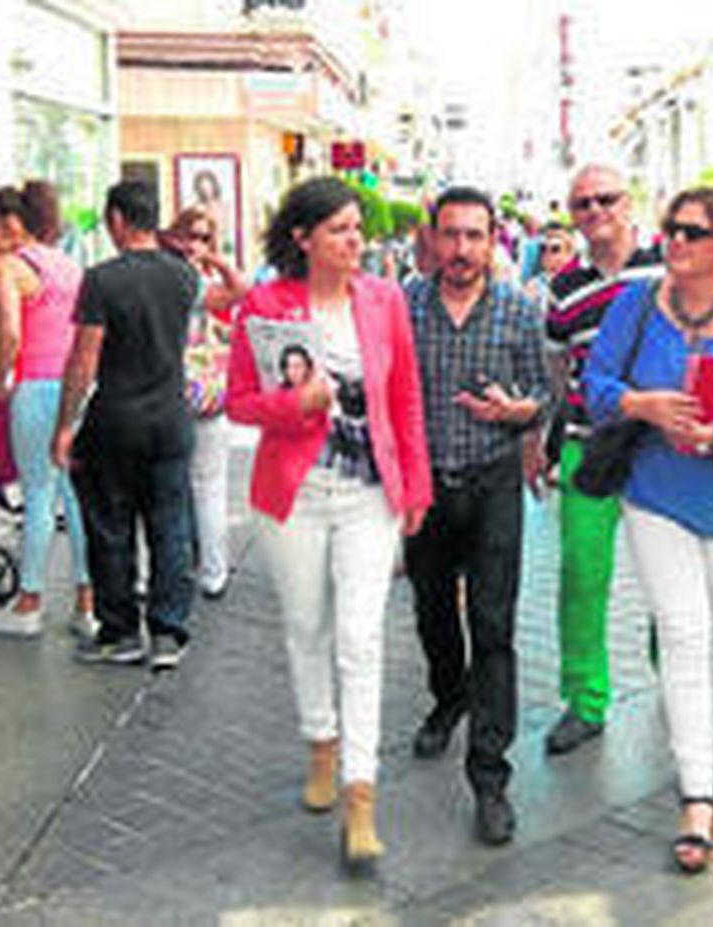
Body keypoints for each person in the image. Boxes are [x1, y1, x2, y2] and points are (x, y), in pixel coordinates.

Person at [583, 187, 713, 874]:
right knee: (682, 631)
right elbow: (595, 382)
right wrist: (641, 404)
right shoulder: (636, 303)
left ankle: (702, 743)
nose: (674, 241)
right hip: (657, 493)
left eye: (691, 232)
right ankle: (699, 792)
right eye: (671, 228)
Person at [226, 176, 431, 870]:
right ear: (303, 237)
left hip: (369, 493)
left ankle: (360, 794)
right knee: (305, 627)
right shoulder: (264, 304)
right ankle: (321, 743)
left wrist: (416, 487)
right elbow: (239, 404)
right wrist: (298, 403)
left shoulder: (383, 299)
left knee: (360, 639)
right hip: (292, 495)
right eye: (340, 229)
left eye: (357, 229)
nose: (356, 241)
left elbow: (405, 397)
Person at [404, 186, 549, 846]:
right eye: (451, 235)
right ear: (432, 238)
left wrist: (518, 413)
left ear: (493, 241)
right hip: (426, 488)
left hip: (492, 485)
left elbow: (545, 394)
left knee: (492, 625)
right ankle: (447, 696)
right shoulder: (403, 305)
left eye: (474, 236)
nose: (461, 249)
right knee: (433, 610)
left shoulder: (519, 311)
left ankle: (489, 777)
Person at [52, 181, 201, 671]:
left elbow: (84, 360)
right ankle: (167, 631)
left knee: (110, 528)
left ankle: (119, 633)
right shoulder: (182, 275)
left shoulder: (101, 279)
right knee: (170, 527)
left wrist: (65, 424)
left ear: (117, 219)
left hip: (114, 422)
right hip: (172, 420)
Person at [542, 163, 663, 756]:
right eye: (582, 204)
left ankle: (677, 680)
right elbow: (559, 367)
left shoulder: (672, 263)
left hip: (661, 451)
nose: (595, 212)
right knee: (581, 577)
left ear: (629, 200)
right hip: (586, 445)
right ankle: (586, 700)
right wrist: (543, 443)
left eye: (605, 199)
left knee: (670, 577)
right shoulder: (565, 287)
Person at [0, 182, 95, 639]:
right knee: (76, 496)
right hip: (78, 386)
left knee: (39, 495)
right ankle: (87, 603)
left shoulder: (8, 265)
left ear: (9, 224)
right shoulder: (67, 264)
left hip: (36, 388)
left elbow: (9, 333)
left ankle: (29, 603)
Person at [161, 207, 248, 601]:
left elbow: (241, 291)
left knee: (203, 488)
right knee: (185, 489)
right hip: (180, 395)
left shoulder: (200, 281)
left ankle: (209, 568)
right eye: (191, 236)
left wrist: (213, 260)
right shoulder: (183, 280)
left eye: (205, 238)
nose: (196, 245)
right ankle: (196, 568)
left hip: (201, 395)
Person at [523, 221, 575, 304]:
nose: (548, 253)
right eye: (543, 248)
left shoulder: (576, 282)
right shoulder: (534, 285)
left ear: (568, 254)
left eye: (555, 249)